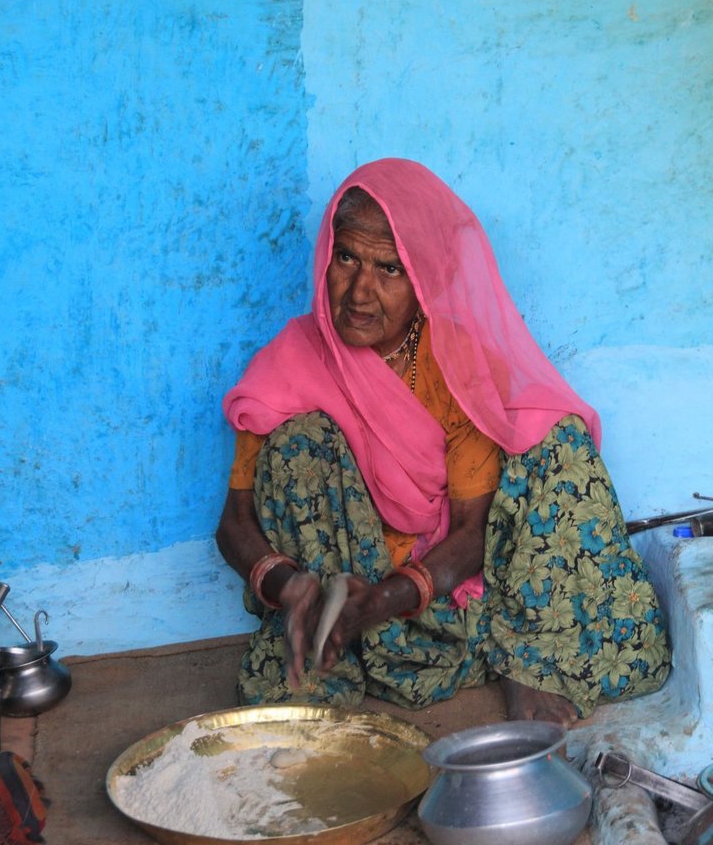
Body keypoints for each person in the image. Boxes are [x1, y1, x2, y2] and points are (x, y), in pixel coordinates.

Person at [216, 158, 671, 726]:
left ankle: (527, 661)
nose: (360, 291)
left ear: (426, 277)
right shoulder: (290, 361)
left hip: (436, 595)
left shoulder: (452, 362)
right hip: (339, 607)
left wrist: (383, 600)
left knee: (559, 444)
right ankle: (329, 653)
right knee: (298, 442)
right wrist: (291, 589)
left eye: (390, 269)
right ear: (325, 257)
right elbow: (233, 522)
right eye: (347, 258)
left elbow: (468, 533)